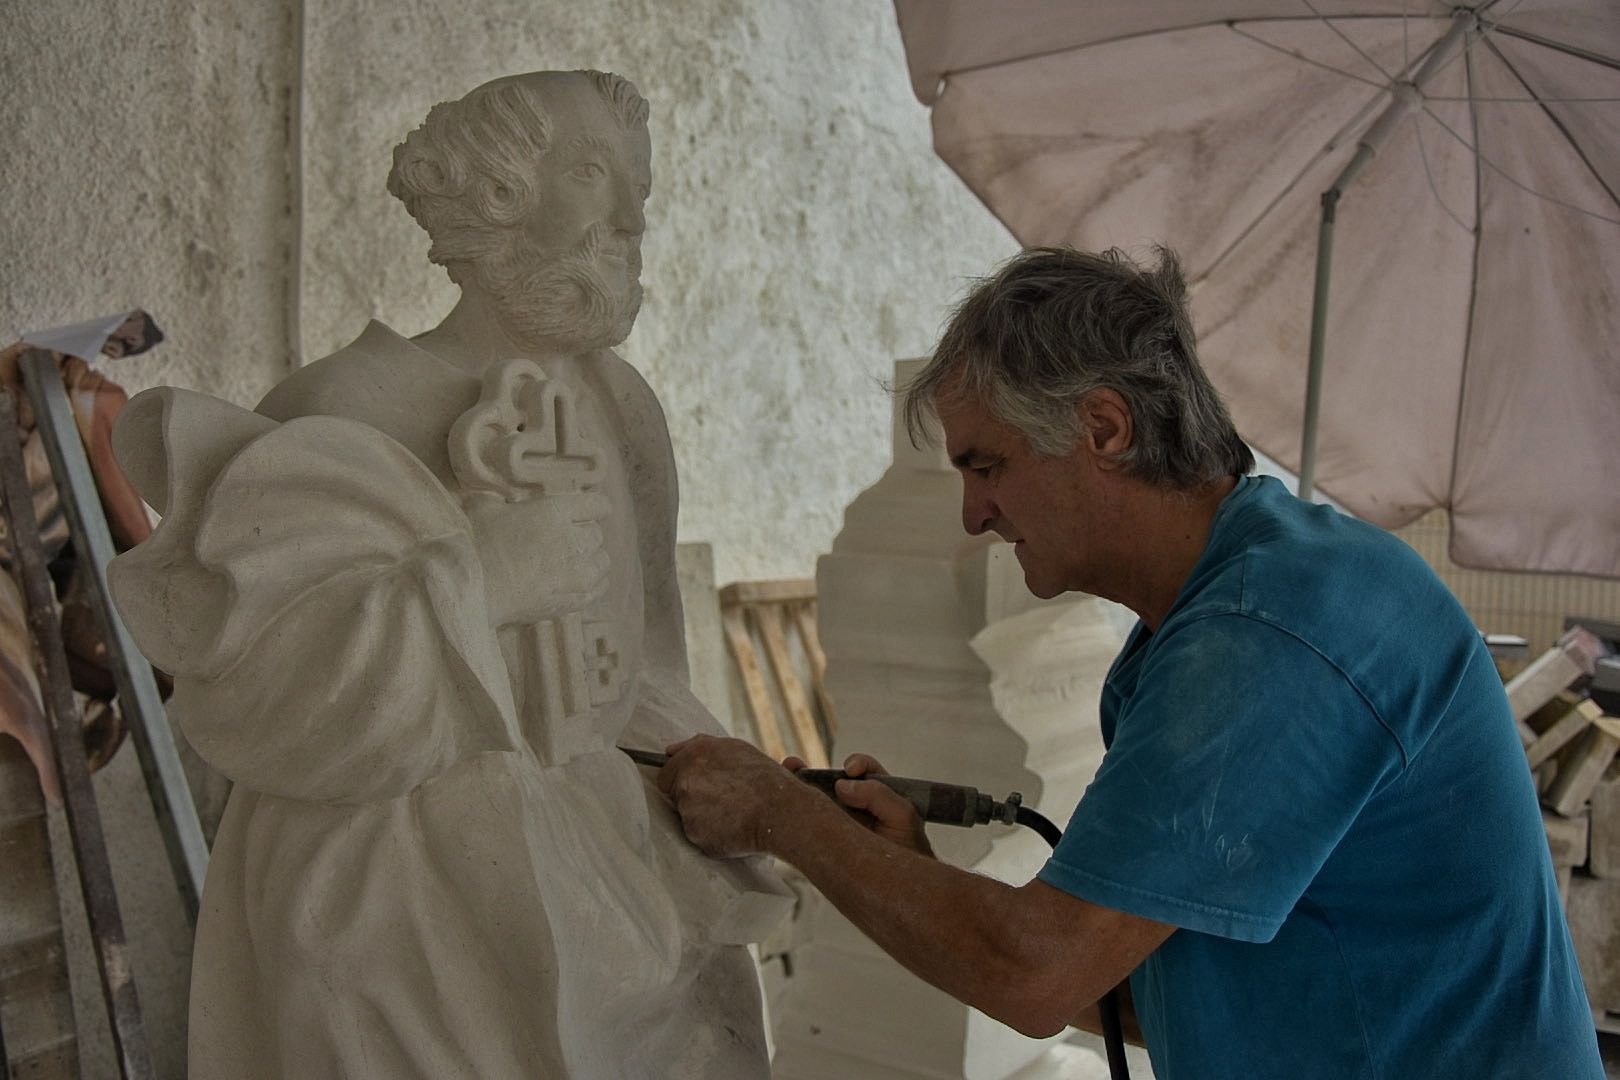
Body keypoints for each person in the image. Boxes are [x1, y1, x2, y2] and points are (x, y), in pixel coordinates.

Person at [658, 246, 1604, 1078]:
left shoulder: (1272, 631)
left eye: (986, 466)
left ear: (1104, 429)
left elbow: (1038, 973)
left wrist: (780, 816)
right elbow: (1144, 997)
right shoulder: (1218, 613)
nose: (973, 515)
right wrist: (896, 871)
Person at [110, 71, 784, 1078]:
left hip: (599, 853)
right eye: (597, 175)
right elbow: (272, 701)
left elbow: (639, 665)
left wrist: (741, 787)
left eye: (637, 183)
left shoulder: (622, 410)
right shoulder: (339, 405)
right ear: (502, 196)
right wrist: (486, 581)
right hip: (394, 882)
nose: (633, 219)